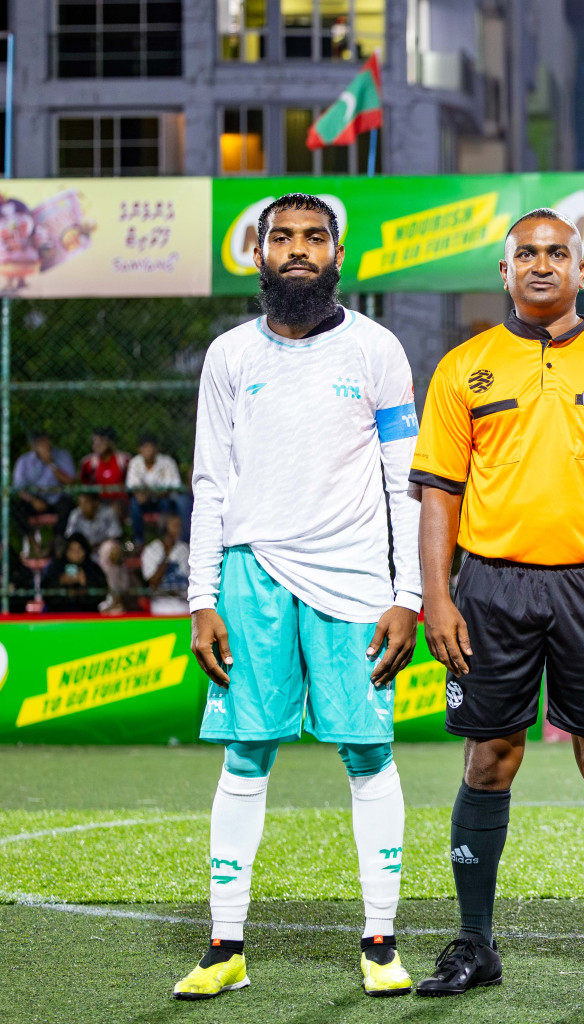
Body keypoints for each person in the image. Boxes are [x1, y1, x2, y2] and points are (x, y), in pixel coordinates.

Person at [410, 209, 584, 998]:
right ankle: (474, 943)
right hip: (491, 587)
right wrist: (437, 597)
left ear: (582, 271)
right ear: (504, 272)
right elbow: (437, 497)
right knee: (489, 760)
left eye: (557, 253)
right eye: (525, 253)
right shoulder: (465, 367)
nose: (540, 264)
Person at [175, 193, 421, 1000]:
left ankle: (380, 943)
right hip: (249, 578)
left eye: (314, 238)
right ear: (259, 253)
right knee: (246, 754)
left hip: (354, 581)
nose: (298, 250)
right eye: (282, 238)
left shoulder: (378, 350)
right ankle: (225, 946)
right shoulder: (228, 357)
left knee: (367, 754)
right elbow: (210, 482)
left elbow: (404, 486)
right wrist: (199, 597)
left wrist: (408, 594)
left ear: (338, 253)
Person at [63, 490, 126, 604]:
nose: (83, 506)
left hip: (102, 553)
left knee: (110, 548)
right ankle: (71, 600)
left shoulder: (108, 513)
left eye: (86, 502)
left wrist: (94, 545)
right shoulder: (75, 515)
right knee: (70, 553)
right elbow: (70, 539)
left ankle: (112, 598)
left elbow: (115, 537)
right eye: (81, 503)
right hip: (82, 553)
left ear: (96, 503)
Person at [127, 432, 187, 543]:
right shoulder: (135, 463)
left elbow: (173, 487)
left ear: (156, 448)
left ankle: (166, 540)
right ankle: (139, 541)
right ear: (139, 449)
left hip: (163, 500)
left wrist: (150, 494)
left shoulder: (167, 462)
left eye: (151, 446)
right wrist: (142, 495)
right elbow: (133, 486)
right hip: (144, 502)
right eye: (145, 447)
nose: (148, 450)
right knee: (134, 504)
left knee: (168, 504)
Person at [13, 430, 76, 520]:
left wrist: (50, 463)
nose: (46, 445)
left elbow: (70, 481)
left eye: (46, 441)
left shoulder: (62, 455)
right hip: (35, 499)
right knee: (17, 507)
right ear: (33, 446)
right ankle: (30, 534)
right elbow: (19, 488)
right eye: (40, 443)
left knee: (68, 506)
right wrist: (33, 500)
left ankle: (59, 534)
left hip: (57, 498)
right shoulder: (24, 461)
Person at [41, 532, 110, 613]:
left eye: (79, 549)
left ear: (85, 550)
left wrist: (85, 582)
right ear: (66, 550)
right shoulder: (55, 567)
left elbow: (102, 594)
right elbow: (45, 593)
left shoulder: (93, 568)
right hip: (58, 616)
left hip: (86, 616)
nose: (76, 553)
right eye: (72, 549)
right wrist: (60, 581)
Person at [142, 512, 191, 615]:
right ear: (165, 528)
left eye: (180, 526)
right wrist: (167, 555)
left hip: (184, 604)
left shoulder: (185, 549)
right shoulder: (151, 550)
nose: (179, 529)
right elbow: (153, 582)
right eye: (175, 525)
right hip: (161, 604)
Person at [79, 426, 129, 509]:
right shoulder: (88, 463)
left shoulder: (123, 460)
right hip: (98, 500)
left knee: (115, 508)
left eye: (101, 441)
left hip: (118, 500)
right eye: (94, 441)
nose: (97, 444)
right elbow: (84, 483)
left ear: (110, 442)